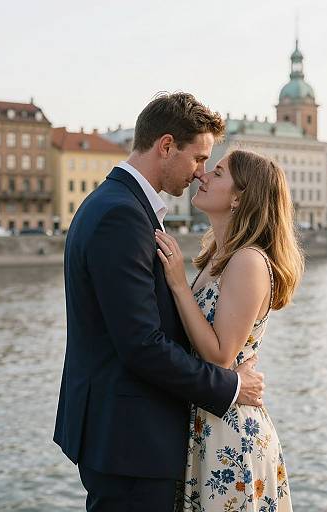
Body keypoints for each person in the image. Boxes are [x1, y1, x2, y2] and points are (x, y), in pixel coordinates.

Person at [53, 93, 265, 512]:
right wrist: (231, 385)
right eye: (199, 158)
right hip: (130, 438)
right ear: (166, 146)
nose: (201, 173)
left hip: (123, 433)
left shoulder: (117, 204)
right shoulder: (123, 215)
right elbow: (141, 344)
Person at [154, 149, 304, 511]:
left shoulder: (247, 260)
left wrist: (176, 283)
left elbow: (220, 355)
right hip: (212, 419)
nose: (203, 176)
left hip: (231, 433)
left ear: (239, 197)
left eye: (217, 173)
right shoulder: (217, 259)